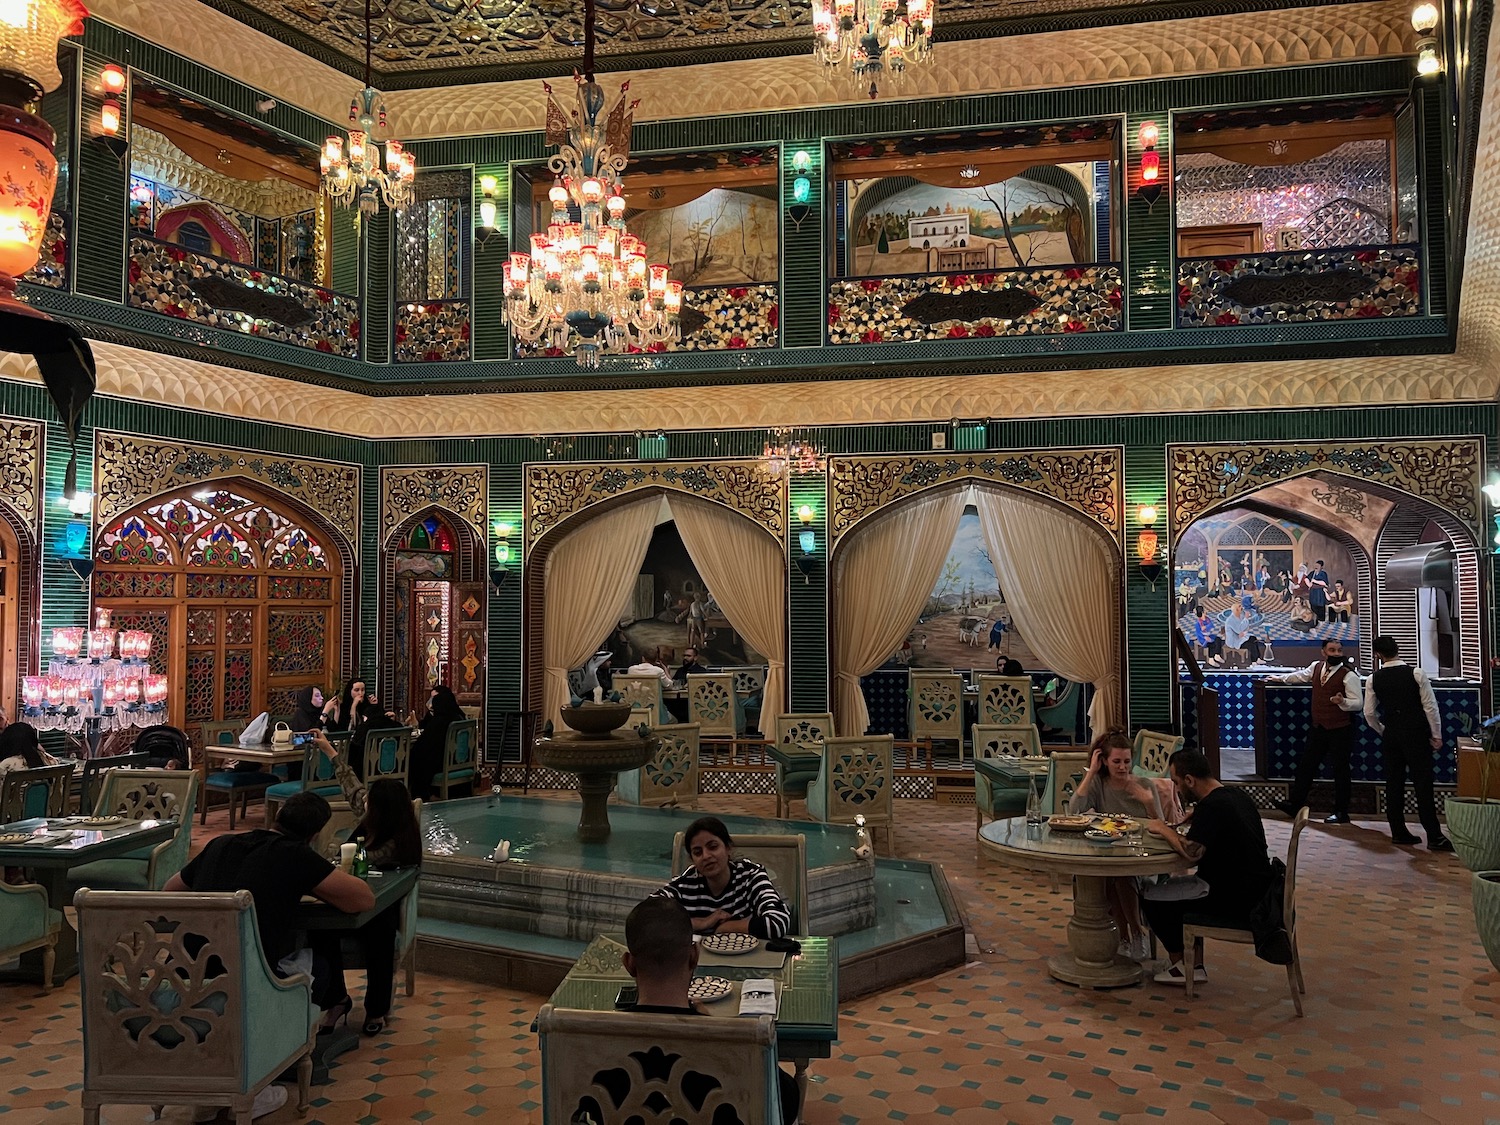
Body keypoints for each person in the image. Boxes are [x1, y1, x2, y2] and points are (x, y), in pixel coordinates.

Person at [164, 792, 375, 1048]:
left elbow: (170, 891)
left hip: (179, 977)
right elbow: (363, 900)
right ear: (314, 835)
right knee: (319, 966)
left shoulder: (220, 844)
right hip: (243, 989)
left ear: (277, 818)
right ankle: (278, 1046)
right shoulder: (295, 856)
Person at [620, 897, 800, 1124]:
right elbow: (786, 1100)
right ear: (694, 955)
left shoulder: (598, 1045)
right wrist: (711, 1026)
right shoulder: (733, 1049)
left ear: (629, 963)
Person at [310, 732, 422, 1035]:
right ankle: (335, 1000)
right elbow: (353, 788)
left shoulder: (397, 844)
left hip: (378, 905)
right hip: (346, 899)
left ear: (383, 812)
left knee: (381, 935)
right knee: (319, 933)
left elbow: (384, 871)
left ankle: (376, 1009)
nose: (364, 803)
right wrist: (329, 750)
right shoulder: (373, 819)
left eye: (372, 802)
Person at [1140, 750, 1273, 985]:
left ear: (1190, 780)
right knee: (1171, 890)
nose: (1178, 790)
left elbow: (1192, 852)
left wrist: (1163, 829)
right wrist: (1197, 817)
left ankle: (1182, 965)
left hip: (1236, 900)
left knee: (1150, 897)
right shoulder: (1234, 795)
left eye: (1177, 783)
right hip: (1258, 891)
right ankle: (1192, 964)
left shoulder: (1211, 807)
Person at [1069, 731, 1183, 959]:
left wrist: (1149, 802)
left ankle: (1136, 933)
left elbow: (1162, 826)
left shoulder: (1143, 785)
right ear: (1104, 761)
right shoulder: (1099, 785)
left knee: (1122, 875)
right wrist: (1091, 773)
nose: (1122, 767)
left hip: (1142, 859)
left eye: (1127, 762)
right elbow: (1074, 811)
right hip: (1109, 853)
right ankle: (1122, 937)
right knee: (1110, 875)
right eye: (1116, 762)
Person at [1364, 635, 1453, 851]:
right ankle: (1434, 836)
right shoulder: (1416, 673)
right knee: (1423, 783)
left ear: (1378, 655)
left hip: (1392, 735)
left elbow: (1369, 713)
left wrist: (1384, 730)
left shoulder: (1373, 678)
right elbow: (1430, 707)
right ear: (1398, 649)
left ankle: (1398, 831)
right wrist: (1437, 734)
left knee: (1394, 782)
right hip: (1416, 734)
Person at [1268, 638, 1363, 824]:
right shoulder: (1316, 667)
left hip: (1340, 729)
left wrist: (1342, 702)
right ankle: (1295, 805)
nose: (1336, 654)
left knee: (1340, 771)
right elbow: (1301, 676)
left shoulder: (1348, 675)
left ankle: (1341, 812)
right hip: (1319, 727)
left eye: (1339, 650)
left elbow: (1358, 703)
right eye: (1332, 650)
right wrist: (1280, 678)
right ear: (1323, 652)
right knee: (1306, 766)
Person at [656, 816, 791, 939]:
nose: (706, 856)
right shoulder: (684, 885)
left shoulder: (750, 876)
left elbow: (777, 922)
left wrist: (726, 928)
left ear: (728, 848)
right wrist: (701, 923)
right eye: (698, 852)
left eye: (713, 847)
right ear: (692, 860)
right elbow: (646, 918)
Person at [408, 684, 465, 798]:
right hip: (457, 761)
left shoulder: (440, 721)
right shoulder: (458, 717)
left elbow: (425, 745)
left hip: (442, 763)